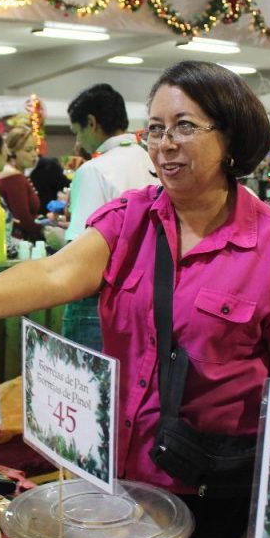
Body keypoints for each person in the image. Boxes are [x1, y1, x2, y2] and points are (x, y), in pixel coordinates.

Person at [0, 61, 270, 538]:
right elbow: (55, 275)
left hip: (216, 497)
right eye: (156, 129)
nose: (165, 143)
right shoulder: (130, 220)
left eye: (185, 126)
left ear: (230, 138)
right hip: (121, 492)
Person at [53, 83, 157, 351]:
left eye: (78, 133)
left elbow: (79, 255)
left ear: (91, 123)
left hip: (98, 303)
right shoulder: (151, 161)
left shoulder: (95, 170)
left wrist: (58, 237)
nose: (78, 143)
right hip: (147, 297)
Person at [0, 126, 42, 241]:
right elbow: (24, 219)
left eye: (35, 149)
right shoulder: (13, 177)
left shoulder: (15, 174)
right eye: (28, 150)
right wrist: (45, 227)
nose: (34, 154)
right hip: (21, 242)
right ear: (12, 153)